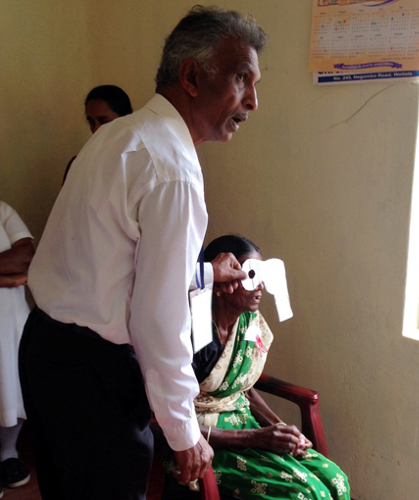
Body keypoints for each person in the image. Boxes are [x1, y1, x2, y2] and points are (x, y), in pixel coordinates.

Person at [19, 6, 268, 500]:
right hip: (93, 376)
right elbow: (157, 319)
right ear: (192, 76)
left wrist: (200, 273)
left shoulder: (120, 134)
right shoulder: (172, 170)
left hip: (45, 349)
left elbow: (112, 262)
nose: (253, 102)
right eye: (242, 79)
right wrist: (185, 433)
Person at [164, 235, 351, 500]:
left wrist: (282, 430)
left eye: (262, 275)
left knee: (336, 480)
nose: (260, 286)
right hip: (201, 439)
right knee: (305, 493)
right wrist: (257, 437)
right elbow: (170, 415)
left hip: (246, 425)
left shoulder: (249, 323)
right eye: (250, 274)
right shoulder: (192, 329)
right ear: (220, 281)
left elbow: (244, 387)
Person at [0, 201, 35, 498]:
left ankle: (8, 453)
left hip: (10, 322)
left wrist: (14, 275)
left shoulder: (3, 211)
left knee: (11, 384)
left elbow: (25, 257)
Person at [62, 85, 133, 183]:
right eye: (91, 122)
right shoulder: (78, 164)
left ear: (125, 119)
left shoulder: (139, 164)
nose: (96, 129)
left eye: (103, 121)